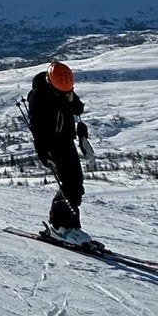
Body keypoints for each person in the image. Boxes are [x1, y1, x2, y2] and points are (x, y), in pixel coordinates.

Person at [26, 59, 95, 243]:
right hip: (51, 144)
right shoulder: (38, 96)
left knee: (76, 183)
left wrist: (72, 99)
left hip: (67, 141)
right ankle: (58, 226)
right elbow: (37, 128)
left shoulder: (64, 87)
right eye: (61, 91)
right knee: (69, 184)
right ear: (50, 82)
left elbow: (78, 108)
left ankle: (70, 226)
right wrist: (43, 153)